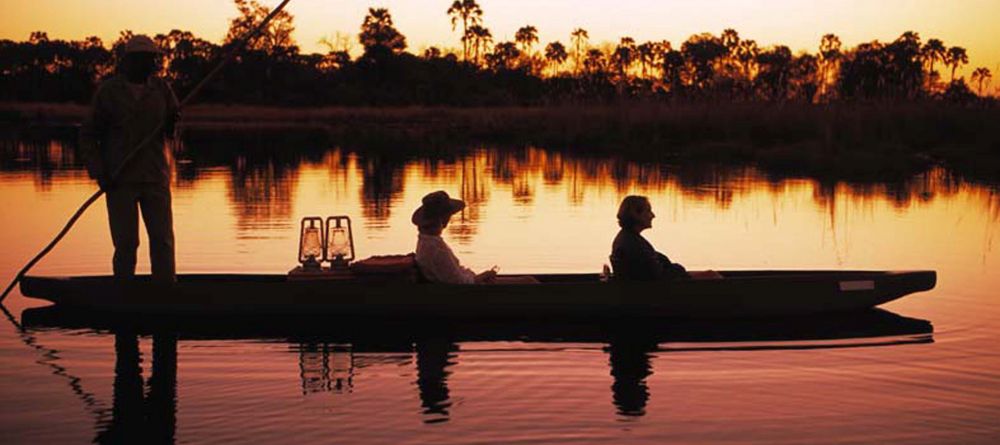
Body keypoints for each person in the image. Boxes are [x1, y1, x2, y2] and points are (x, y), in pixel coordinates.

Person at [80, 35, 180, 283]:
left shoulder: (162, 90)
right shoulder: (109, 92)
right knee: (126, 242)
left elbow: (171, 130)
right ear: (129, 61)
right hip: (119, 179)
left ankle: (165, 289)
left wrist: (172, 123)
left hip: (155, 176)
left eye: (151, 59)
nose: (149, 64)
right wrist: (100, 172)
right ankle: (123, 290)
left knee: (162, 239)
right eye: (143, 59)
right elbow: (89, 136)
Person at [412, 190, 499, 284]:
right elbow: (459, 282)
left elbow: (454, 274)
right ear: (444, 218)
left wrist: (477, 277)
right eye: (448, 215)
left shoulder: (425, 241)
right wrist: (482, 277)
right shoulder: (435, 248)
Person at [610, 195, 690, 281]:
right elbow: (657, 277)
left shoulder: (626, 238)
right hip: (652, 291)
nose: (653, 215)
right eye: (648, 211)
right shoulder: (634, 244)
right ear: (635, 214)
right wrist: (679, 270)